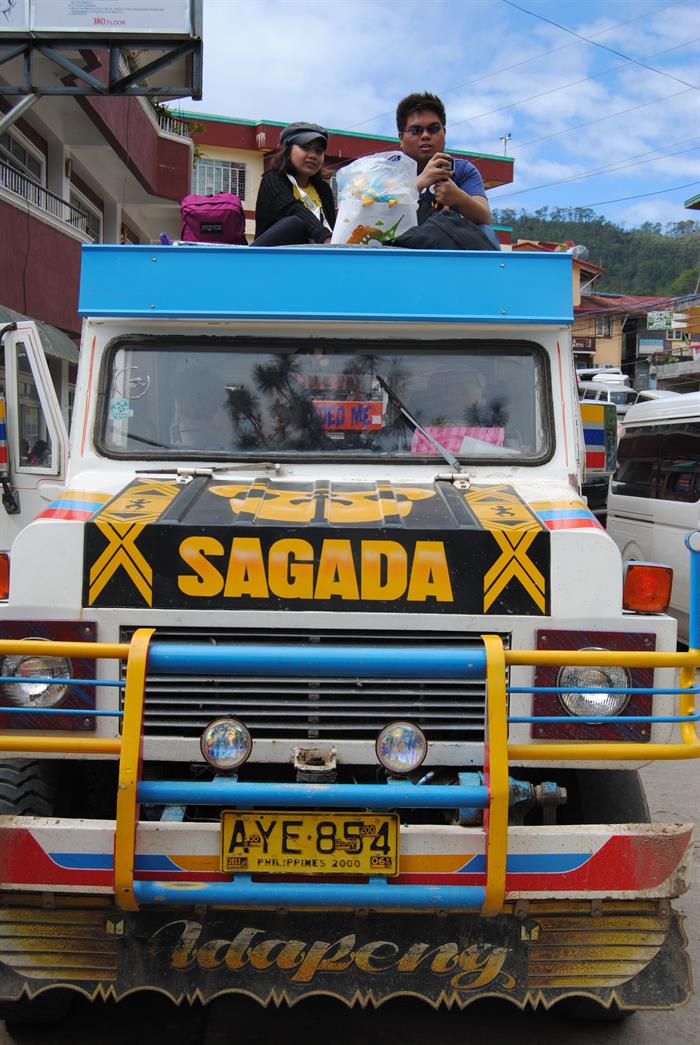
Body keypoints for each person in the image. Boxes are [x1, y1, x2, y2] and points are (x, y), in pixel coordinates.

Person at [395, 91, 499, 248]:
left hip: (452, 257)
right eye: (415, 130)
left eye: (433, 128)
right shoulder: (388, 170)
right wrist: (418, 184)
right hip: (401, 254)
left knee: (486, 232)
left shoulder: (463, 170)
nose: (425, 136)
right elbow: (374, 219)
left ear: (444, 132)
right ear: (401, 138)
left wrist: (458, 197)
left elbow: (484, 218)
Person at [254, 122, 336, 246]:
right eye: (305, 148)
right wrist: (325, 237)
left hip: (313, 259)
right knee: (295, 222)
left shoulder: (324, 189)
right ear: (288, 150)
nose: (313, 155)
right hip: (270, 259)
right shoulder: (273, 180)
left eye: (319, 151)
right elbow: (293, 209)